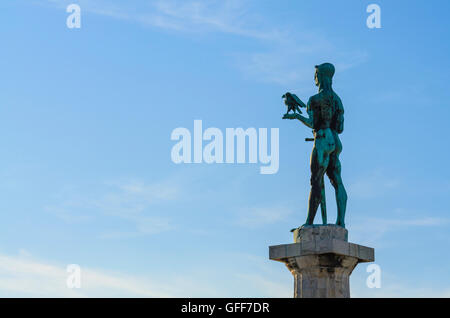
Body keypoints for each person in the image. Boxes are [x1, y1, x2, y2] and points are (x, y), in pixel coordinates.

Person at [283, 63, 347, 227]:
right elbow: (340, 128)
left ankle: (309, 222)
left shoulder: (315, 100)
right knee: (337, 181)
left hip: (322, 139)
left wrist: (296, 117)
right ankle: (341, 222)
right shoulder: (337, 100)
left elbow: (312, 123)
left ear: (321, 76)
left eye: (316, 75)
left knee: (316, 181)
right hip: (334, 139)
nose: (314, 78)